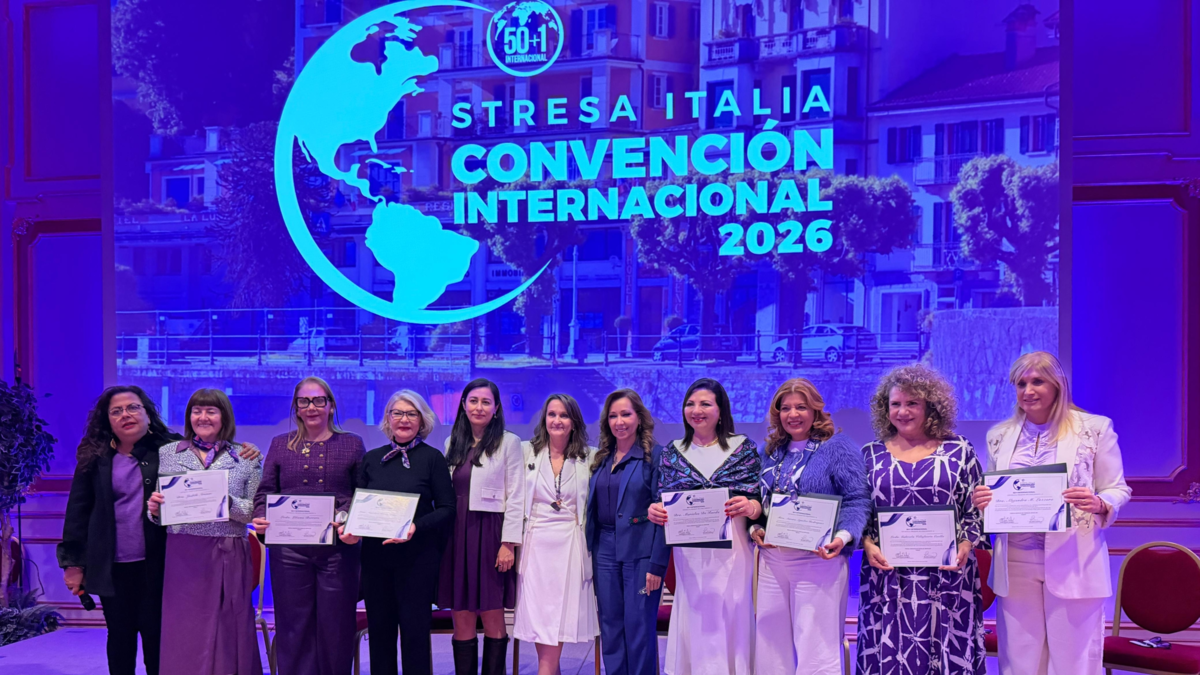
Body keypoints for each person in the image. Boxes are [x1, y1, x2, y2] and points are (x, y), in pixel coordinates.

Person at [58, 386, 258, 675]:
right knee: (119, 636)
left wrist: (246, 448)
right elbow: (77, 512)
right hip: (111, 564)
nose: (126, 415)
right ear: (107, 419)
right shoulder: (94, 456)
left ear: (148, 414)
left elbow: (207, 443)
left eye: (133, 407)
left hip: (160, 563)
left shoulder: (169, 449)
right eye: (116, 411)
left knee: (158, 638)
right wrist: (73, 564)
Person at [972, 352, 1131, 675]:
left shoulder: (1095, 429)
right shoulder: (999, 435)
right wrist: (984, 498)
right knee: (1019, 662)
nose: (1028, 391)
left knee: (1072, 663)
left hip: (1074, 557)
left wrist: (1099, 502)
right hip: (1015, 560)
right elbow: (996, 491)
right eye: (1021, 384)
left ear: (1058, 385)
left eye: (1037, 382)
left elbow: (1117, 488)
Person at [856, 364, 986, 675]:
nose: (903, 411)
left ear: (930, 406)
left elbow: (975, 509)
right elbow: (857, 510)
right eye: (895, 403)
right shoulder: (869, 454)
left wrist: (966, 544)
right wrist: (867, 544)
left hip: (948, 576)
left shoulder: (960, 450)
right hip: (886, 577)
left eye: (912, 403)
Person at [750, 378, 871, 675]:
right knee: (770, 645)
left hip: (818, 561)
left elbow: (857, 500)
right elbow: (755, 500)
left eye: (801, 407)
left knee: (816, 647)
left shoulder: (838, 447)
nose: (793, 414)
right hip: (772, 560)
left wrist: (842, 537)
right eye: (786, 408)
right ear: (777, 413)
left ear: (816, 409)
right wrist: (755, 529)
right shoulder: (769, 451)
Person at [251, 377, 366, 675]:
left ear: (331, 406)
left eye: (318, 400)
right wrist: (261, 517)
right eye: (304, 401)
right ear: (297, 408)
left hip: (338, 551)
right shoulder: (280, 444)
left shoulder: (352, 444)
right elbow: (265, 493)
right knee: (293, 626)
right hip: (289, 551)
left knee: (336, 627)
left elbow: (361, 494)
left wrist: (347, 519)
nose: (311, 407)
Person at [337, 389, 455, 675]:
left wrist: (416, 526)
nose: (404, 419)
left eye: (411, 413)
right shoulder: (372, 459)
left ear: (422, 420)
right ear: (388, 419)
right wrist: (351, 529)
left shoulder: (433, 458)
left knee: (415, 638)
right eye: (397, 413)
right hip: (376, 561)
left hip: (417, 561)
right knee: (380, 637)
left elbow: (447, 508)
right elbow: (359, 505)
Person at [648, 378, 761, 675]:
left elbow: (759, 499)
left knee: (731, 610)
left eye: (705, 404)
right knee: (695, 612)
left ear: (721, 410)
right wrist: (655, 510)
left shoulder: (743, 449)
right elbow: (662, 500)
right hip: (690, 552)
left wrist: (751, 506)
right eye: (690, 404)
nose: (696, 410)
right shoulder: (673, 452)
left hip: (733, 550)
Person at [147, 388, 264, 675]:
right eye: (196, 411)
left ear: (224, 416)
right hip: (183, 553)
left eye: (211, 411)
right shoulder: (169, 453)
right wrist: (154, 510)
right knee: (184, 628)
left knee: (228, 629)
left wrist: (223, 500)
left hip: (228, 551)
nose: (203, 417)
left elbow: (254, 511)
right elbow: (164, 507)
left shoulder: (246, 456)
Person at [440, 378, 525, 675]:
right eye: (473, 401)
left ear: (496, 408)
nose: (479, 407)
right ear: (463, 405)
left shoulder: (509, 442)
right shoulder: (452, 443)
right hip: (456, 535)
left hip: (490, 535)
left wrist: (508, 543)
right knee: (461, 614)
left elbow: (516, 496)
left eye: (486, 402)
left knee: (492, 613)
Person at [515, 394, 599, 675]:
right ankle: (548, 669)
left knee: (558, 614)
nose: (557, 420)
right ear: (544, 419)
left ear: (574, 421)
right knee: (541, 615)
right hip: (535, 544)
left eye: (564, 415)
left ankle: (546, 670)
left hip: (570, 544)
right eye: (552, 414)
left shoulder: (590, 457)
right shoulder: (526, 452)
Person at [586, 389, 668, 675]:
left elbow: (665, 515)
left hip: (641, 552)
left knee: (639, 627)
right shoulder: (601, 458)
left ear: (639, 418)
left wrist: (657, 564)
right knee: (610, 626)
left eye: (626, 414)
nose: (619, 421)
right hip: (604, 550)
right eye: (613, 416)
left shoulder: (655, 456)